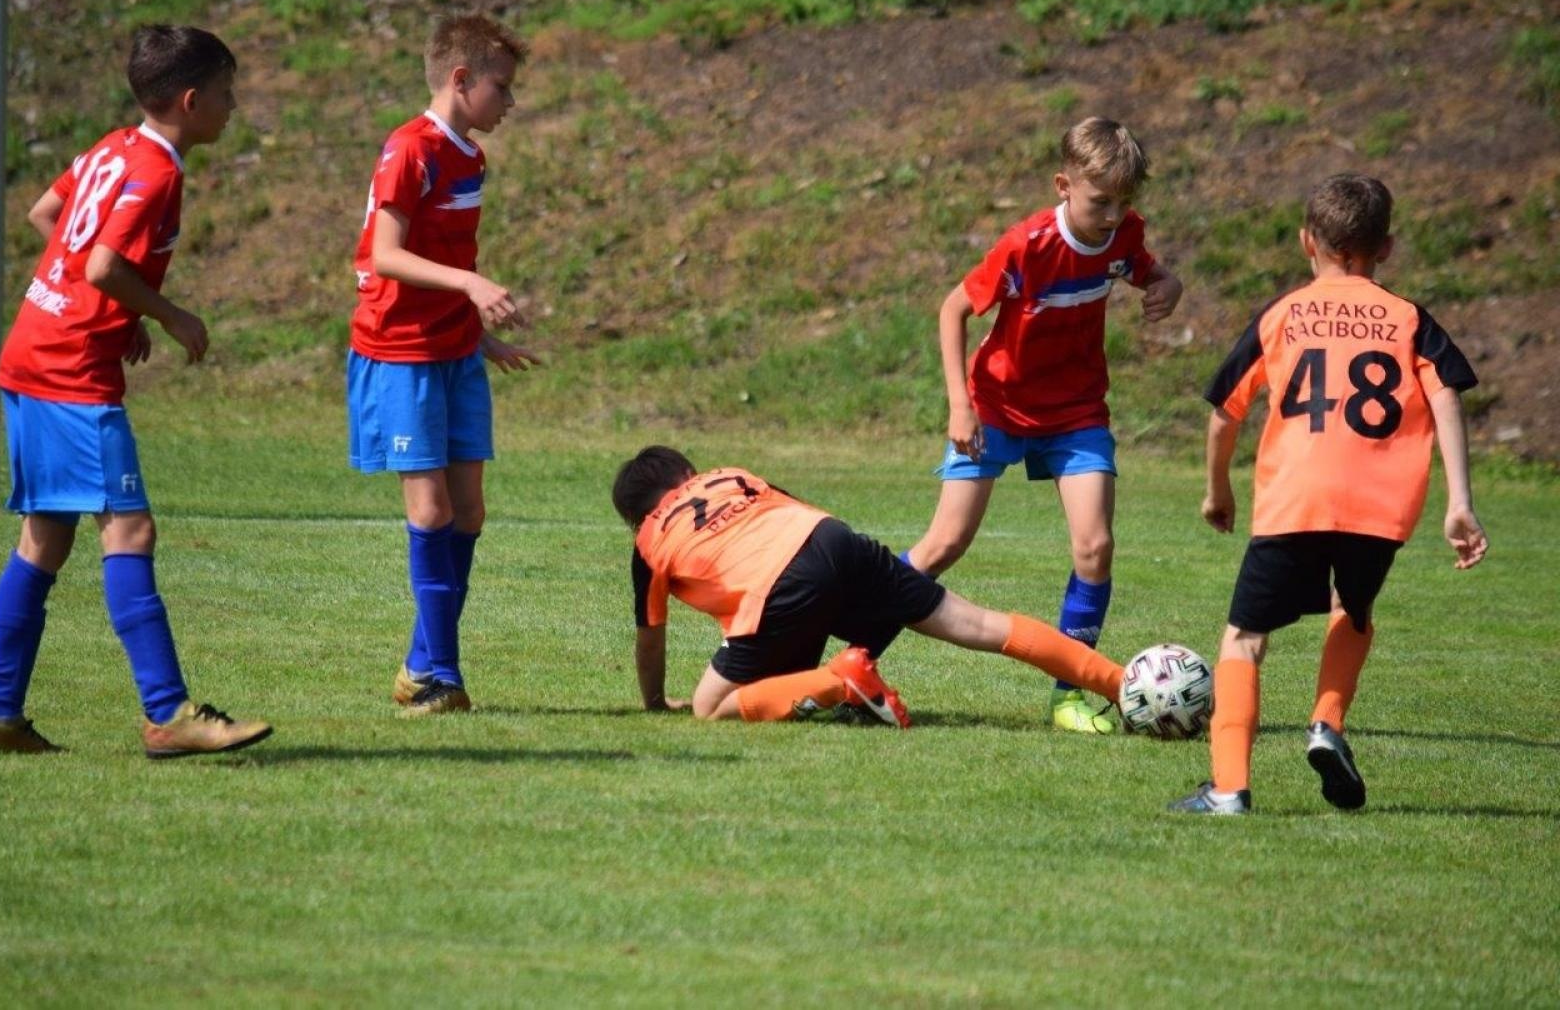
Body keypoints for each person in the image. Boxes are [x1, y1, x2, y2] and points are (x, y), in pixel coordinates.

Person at [0, 25, 272, 758]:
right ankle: (169, 714)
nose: (233, 107)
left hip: (31, 351)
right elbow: (102, 266)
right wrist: (167, 314)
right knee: (129, 532)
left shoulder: (113, 146)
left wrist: (111, 309)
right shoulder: (157, 172)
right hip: (70, 371)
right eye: (225, 94)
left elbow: (47, 215)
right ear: (190, 101)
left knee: (44, 539)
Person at [1171, 173, 1487, 815]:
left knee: (1245, 637)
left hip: (1296, 499)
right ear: (1386, 248)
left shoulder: (1284, 314)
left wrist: (1217, 490)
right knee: (1354, 609)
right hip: (1380, 507)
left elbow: (1225, 415)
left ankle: (1229, 788)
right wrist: (1459, 501)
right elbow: (1446, 395)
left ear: (1306, 242)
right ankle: (1326, 723)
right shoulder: (1408, 318)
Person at [903, 117, 1185, 734]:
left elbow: (1147, 271)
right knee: (944, 544)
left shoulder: (1124, 234)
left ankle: (1070, 695)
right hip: (996, 408)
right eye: (1100, 201)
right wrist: (959, 406)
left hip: (1077, 413)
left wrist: (1170, 285)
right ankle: (854, 645)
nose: (1113, 215)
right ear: (1064, 185)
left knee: (1095, 546)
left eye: (1123, 203)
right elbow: (953, 309)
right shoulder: (1026, 245)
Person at [612, 446, 1132, 727]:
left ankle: (841, 680)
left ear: (637, 517)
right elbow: (793, 513)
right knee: (979, 623)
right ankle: (1122, 683)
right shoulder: (731, 475)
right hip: (832, 539)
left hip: (778, 584)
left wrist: (654, 703)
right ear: (688, 472)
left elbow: (650, 637)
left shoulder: (650, 538)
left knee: (710, 708)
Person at [349, 15, 539, 717]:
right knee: (431, 511)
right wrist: (472, 286)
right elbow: (384, 256)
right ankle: (441, 679)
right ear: (461, 80)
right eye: (502, 87)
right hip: (400, 355)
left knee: (468, 513)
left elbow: (446, 259)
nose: (510, 102)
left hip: (454, 352)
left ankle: (422, 664)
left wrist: (479, 334)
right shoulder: (410, 149)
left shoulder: (470, 158)